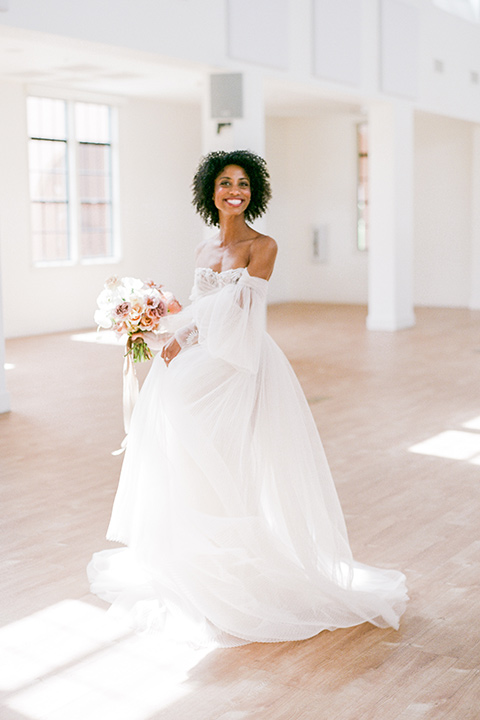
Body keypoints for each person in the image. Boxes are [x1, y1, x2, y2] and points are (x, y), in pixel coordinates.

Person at [88, 149, 407, 648]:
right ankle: (195, 566)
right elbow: (199, 307)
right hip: (194, 363)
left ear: (253, 192)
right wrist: (164, 326)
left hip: (237, 364)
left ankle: (237, 577)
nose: (234, 191)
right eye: (224, 184)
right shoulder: (202, 251)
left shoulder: (264, 247)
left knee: (229, 464)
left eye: (242, 183)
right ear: (209, 194)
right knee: (183, 460)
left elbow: (240, 311)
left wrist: (183, 326)